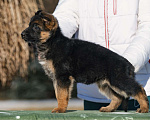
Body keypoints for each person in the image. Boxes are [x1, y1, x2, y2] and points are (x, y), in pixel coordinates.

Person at [53, 0, 150, 110]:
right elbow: (66, 16)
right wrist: (52, 45)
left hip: (138, 81)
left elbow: (148, 26)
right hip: (93, 92)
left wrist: (124, 65)